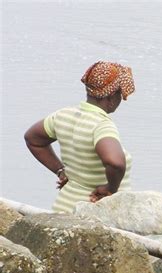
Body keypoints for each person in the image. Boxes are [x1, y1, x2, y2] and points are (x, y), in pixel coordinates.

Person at [24, 61, 135, 213]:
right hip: (92, 216)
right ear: (111, 96)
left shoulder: (63, 115)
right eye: (120, 94)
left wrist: (60, 171)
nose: (121, 99)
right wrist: (111, 189)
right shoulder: (101, 125)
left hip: (62, 209)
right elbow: (115, 163)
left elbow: (33, 140)